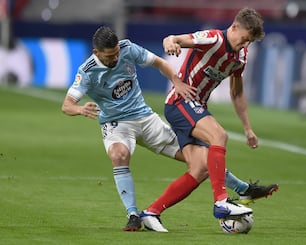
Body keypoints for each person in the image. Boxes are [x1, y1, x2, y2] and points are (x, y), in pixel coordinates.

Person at [61, 26, 277, 232]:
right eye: (109, 56)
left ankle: (242, 188)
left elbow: (159, 63)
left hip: (146, 118)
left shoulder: (127, 49)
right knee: (119, 154)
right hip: (117, 125)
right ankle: (133, 214)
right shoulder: (87, 72)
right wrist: (79, 110)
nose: (115, 58)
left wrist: (177, 82)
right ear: (96, 52)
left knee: (199, 161)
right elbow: (67, 105)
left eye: (116, 53)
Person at [141, 7, 278, 232]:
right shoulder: (212, 38)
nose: (245, 45)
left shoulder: (240, 57)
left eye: (250, 42)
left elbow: (236, 93)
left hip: (195, 108)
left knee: (200, 169)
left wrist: (248, 129)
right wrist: (171, 42)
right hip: (179, 103)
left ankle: (151, 212)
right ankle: (221, 202)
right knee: (219, 135)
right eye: (244, 39)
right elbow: (174, 38)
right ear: (234, 28)